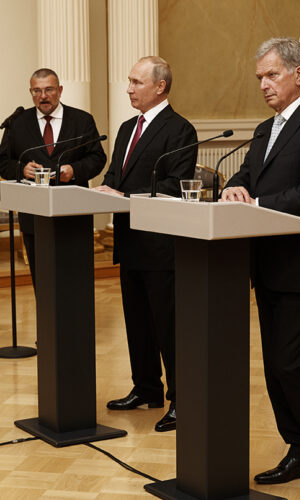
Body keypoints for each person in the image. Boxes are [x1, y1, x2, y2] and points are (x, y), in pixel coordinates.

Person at [221, 38, 300, 484]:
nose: (263, 84)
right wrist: (234, 188)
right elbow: (246, 174)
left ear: (298, 74)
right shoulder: (265, 128)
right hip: (268, 264)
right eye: (259, 77)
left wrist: (257, 202)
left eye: (271, 75)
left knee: (291, 362)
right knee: (276, 365)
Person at [93, 56, 197, 432]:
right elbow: (114, 175)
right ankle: (146, 388)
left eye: (137, 82)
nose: (129, 89)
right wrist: (107, 191)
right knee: (137, 322)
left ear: (160, 87)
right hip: (129, 239)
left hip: (161, 244)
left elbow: (175, 184)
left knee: (168, 326)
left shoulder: (180, 130)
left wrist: (122, 192)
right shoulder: (125, 128)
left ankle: (181, 398)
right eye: (129, 81)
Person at [0, 68, 107, 285]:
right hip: (34, 214)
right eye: (37, 91)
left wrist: (74, 170)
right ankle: (45, 318)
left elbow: (97, 158)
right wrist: (21, 170)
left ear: (60, 90)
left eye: (49, 90)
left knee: (75, 277)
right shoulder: (17, 123)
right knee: (43, 278)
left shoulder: (82, 120)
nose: (43, 96)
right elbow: (2, 162)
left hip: (73, 211)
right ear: (31, 92)